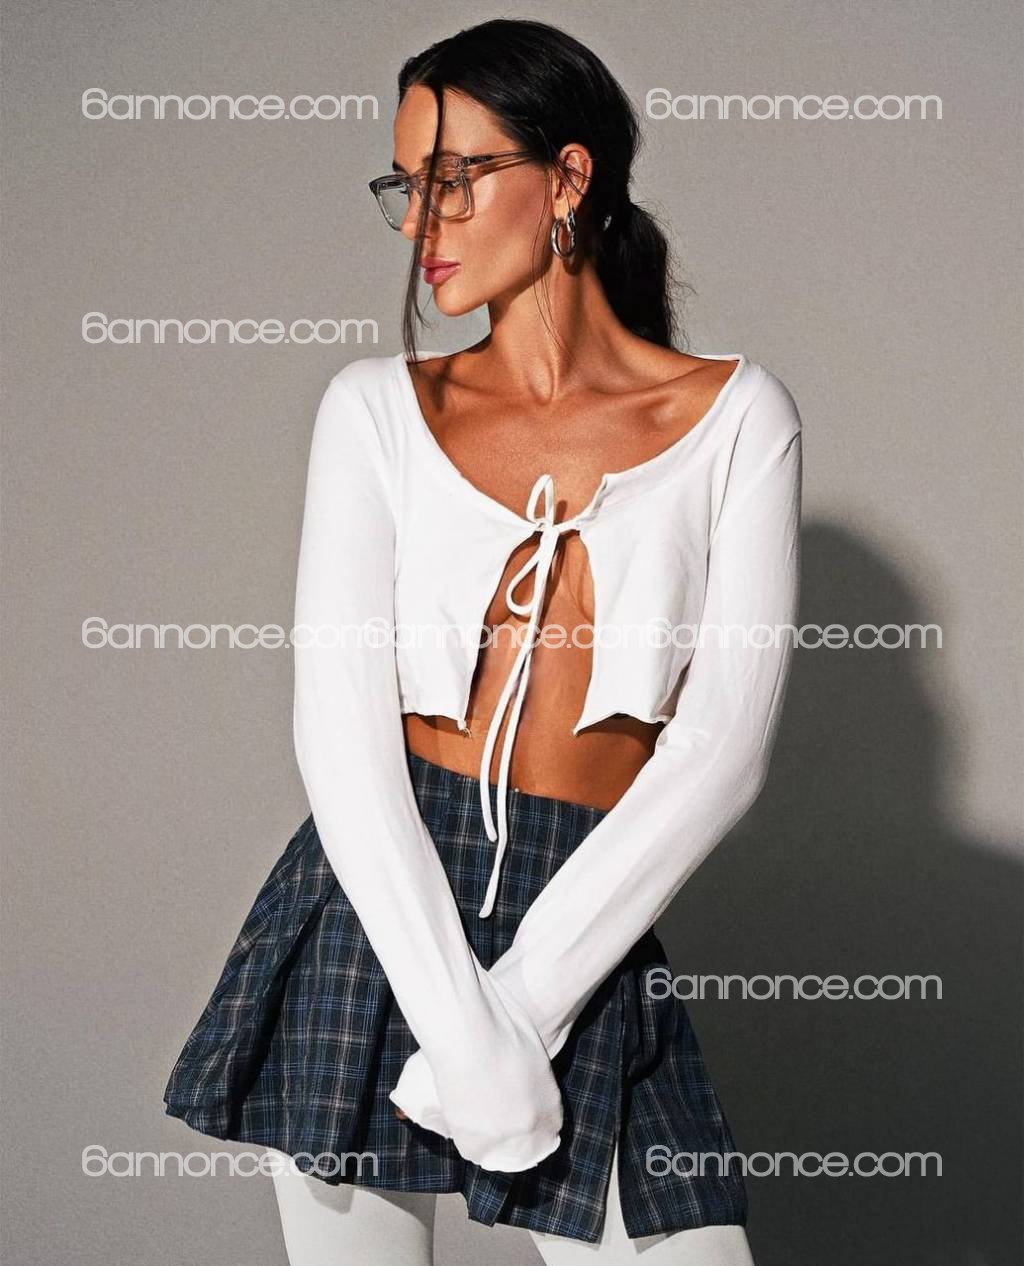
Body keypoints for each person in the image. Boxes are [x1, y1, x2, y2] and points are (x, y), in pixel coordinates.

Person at [163, 18, 803, 1265]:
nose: (422, 221)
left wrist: (523, 1005)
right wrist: (459, 1026)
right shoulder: (375, 408)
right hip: (374, 905)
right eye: (406, 185)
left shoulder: (738, 419)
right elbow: (340, 739)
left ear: (568, 178)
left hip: (592, 914)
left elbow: (722, 748)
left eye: (455, 179)